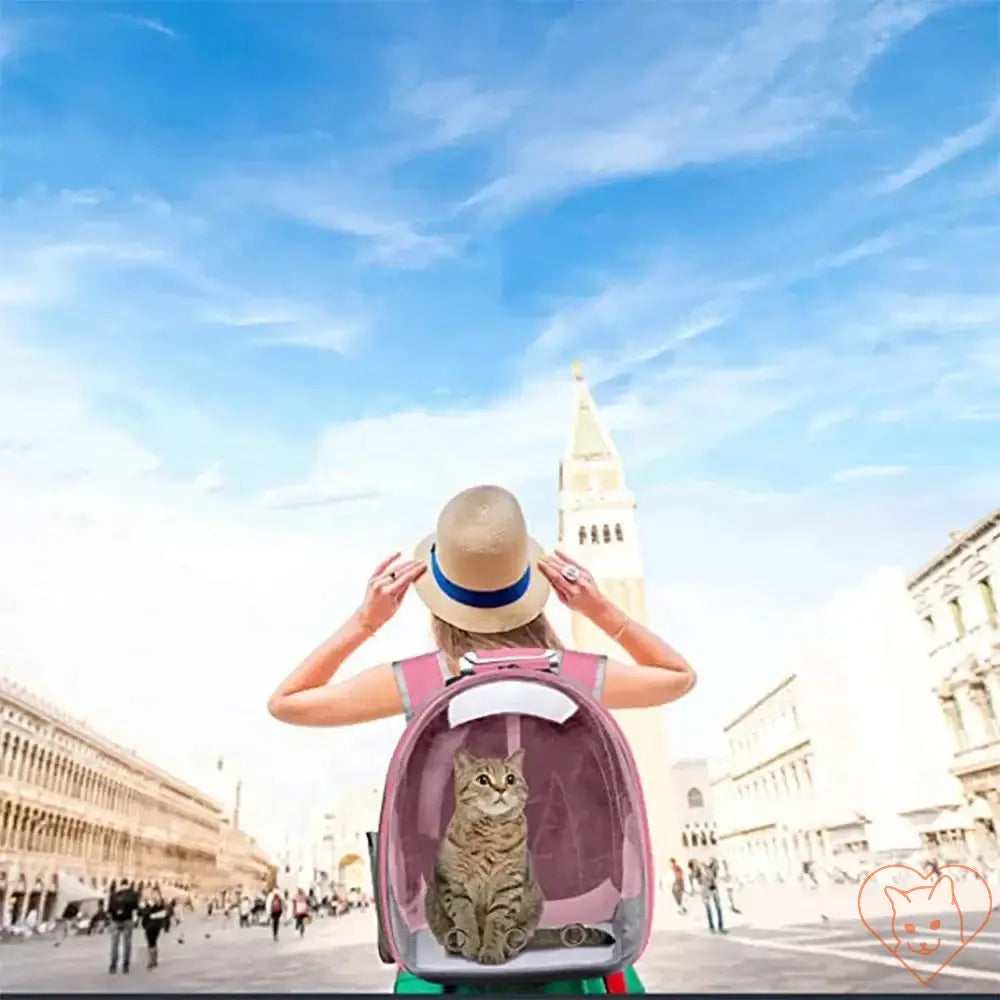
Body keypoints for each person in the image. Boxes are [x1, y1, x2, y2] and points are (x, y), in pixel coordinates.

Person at [268, 485, 697, 994]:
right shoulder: (574, 674)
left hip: (449, 949)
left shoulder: (422, 679)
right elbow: (678, 676)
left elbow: (288, 702)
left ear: (440, 603)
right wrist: (599, 609)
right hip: (580, 949)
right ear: (531, 590)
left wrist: (367, 621)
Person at [107, 878, 139, 974]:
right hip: (127, 920)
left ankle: (113, 966)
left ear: (120, 885)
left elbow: (109, 910)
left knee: (114, 944)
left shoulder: (114, 895)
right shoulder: (133, 895)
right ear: (128, 885)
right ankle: (125, 966)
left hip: (115, 921)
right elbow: (135, 908)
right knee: (127, 944)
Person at [140, 888, 169, 970]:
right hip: (152, 924)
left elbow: (163, 913)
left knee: (151, 943)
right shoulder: (154, 902)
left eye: (155, 893)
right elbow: (143, 911)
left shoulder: (158, 902)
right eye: (153, 893)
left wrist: (152, 914)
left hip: (153, 924)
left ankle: (151, 961)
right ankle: (154, 960)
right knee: (153, 942)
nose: (153, 895)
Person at [699, 858, 725, 934]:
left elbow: (714, 880)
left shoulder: (713, 872)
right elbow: (706, 881)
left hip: (712, 890)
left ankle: (717, 927)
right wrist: (711, 884)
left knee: (717, 908)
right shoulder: (706, 871)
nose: (717, 867)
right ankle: (713, 927)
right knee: (711, 909)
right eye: (716, 865)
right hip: (706, 891)